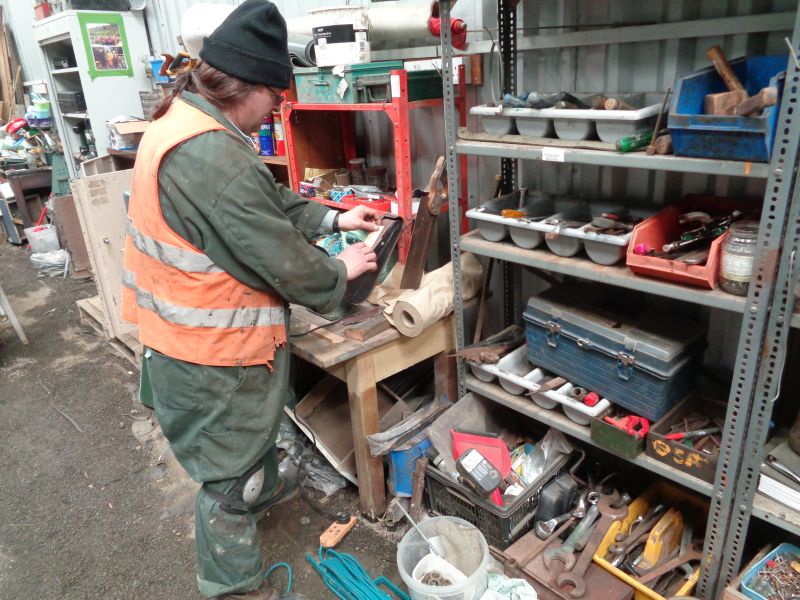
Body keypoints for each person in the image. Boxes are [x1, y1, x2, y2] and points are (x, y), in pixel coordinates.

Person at [120, 1, 380, 598]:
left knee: (243, 463)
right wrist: (339, 269)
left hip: (179, 342)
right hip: (211, 356)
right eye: (275, 96)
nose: (279, 107)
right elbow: (287, 263)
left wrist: (334, 214)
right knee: (228, 488)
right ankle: (233, 588)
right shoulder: (209, 153)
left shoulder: (188, 121)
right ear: (248, 90)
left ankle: (259, 498)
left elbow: (263, 204)